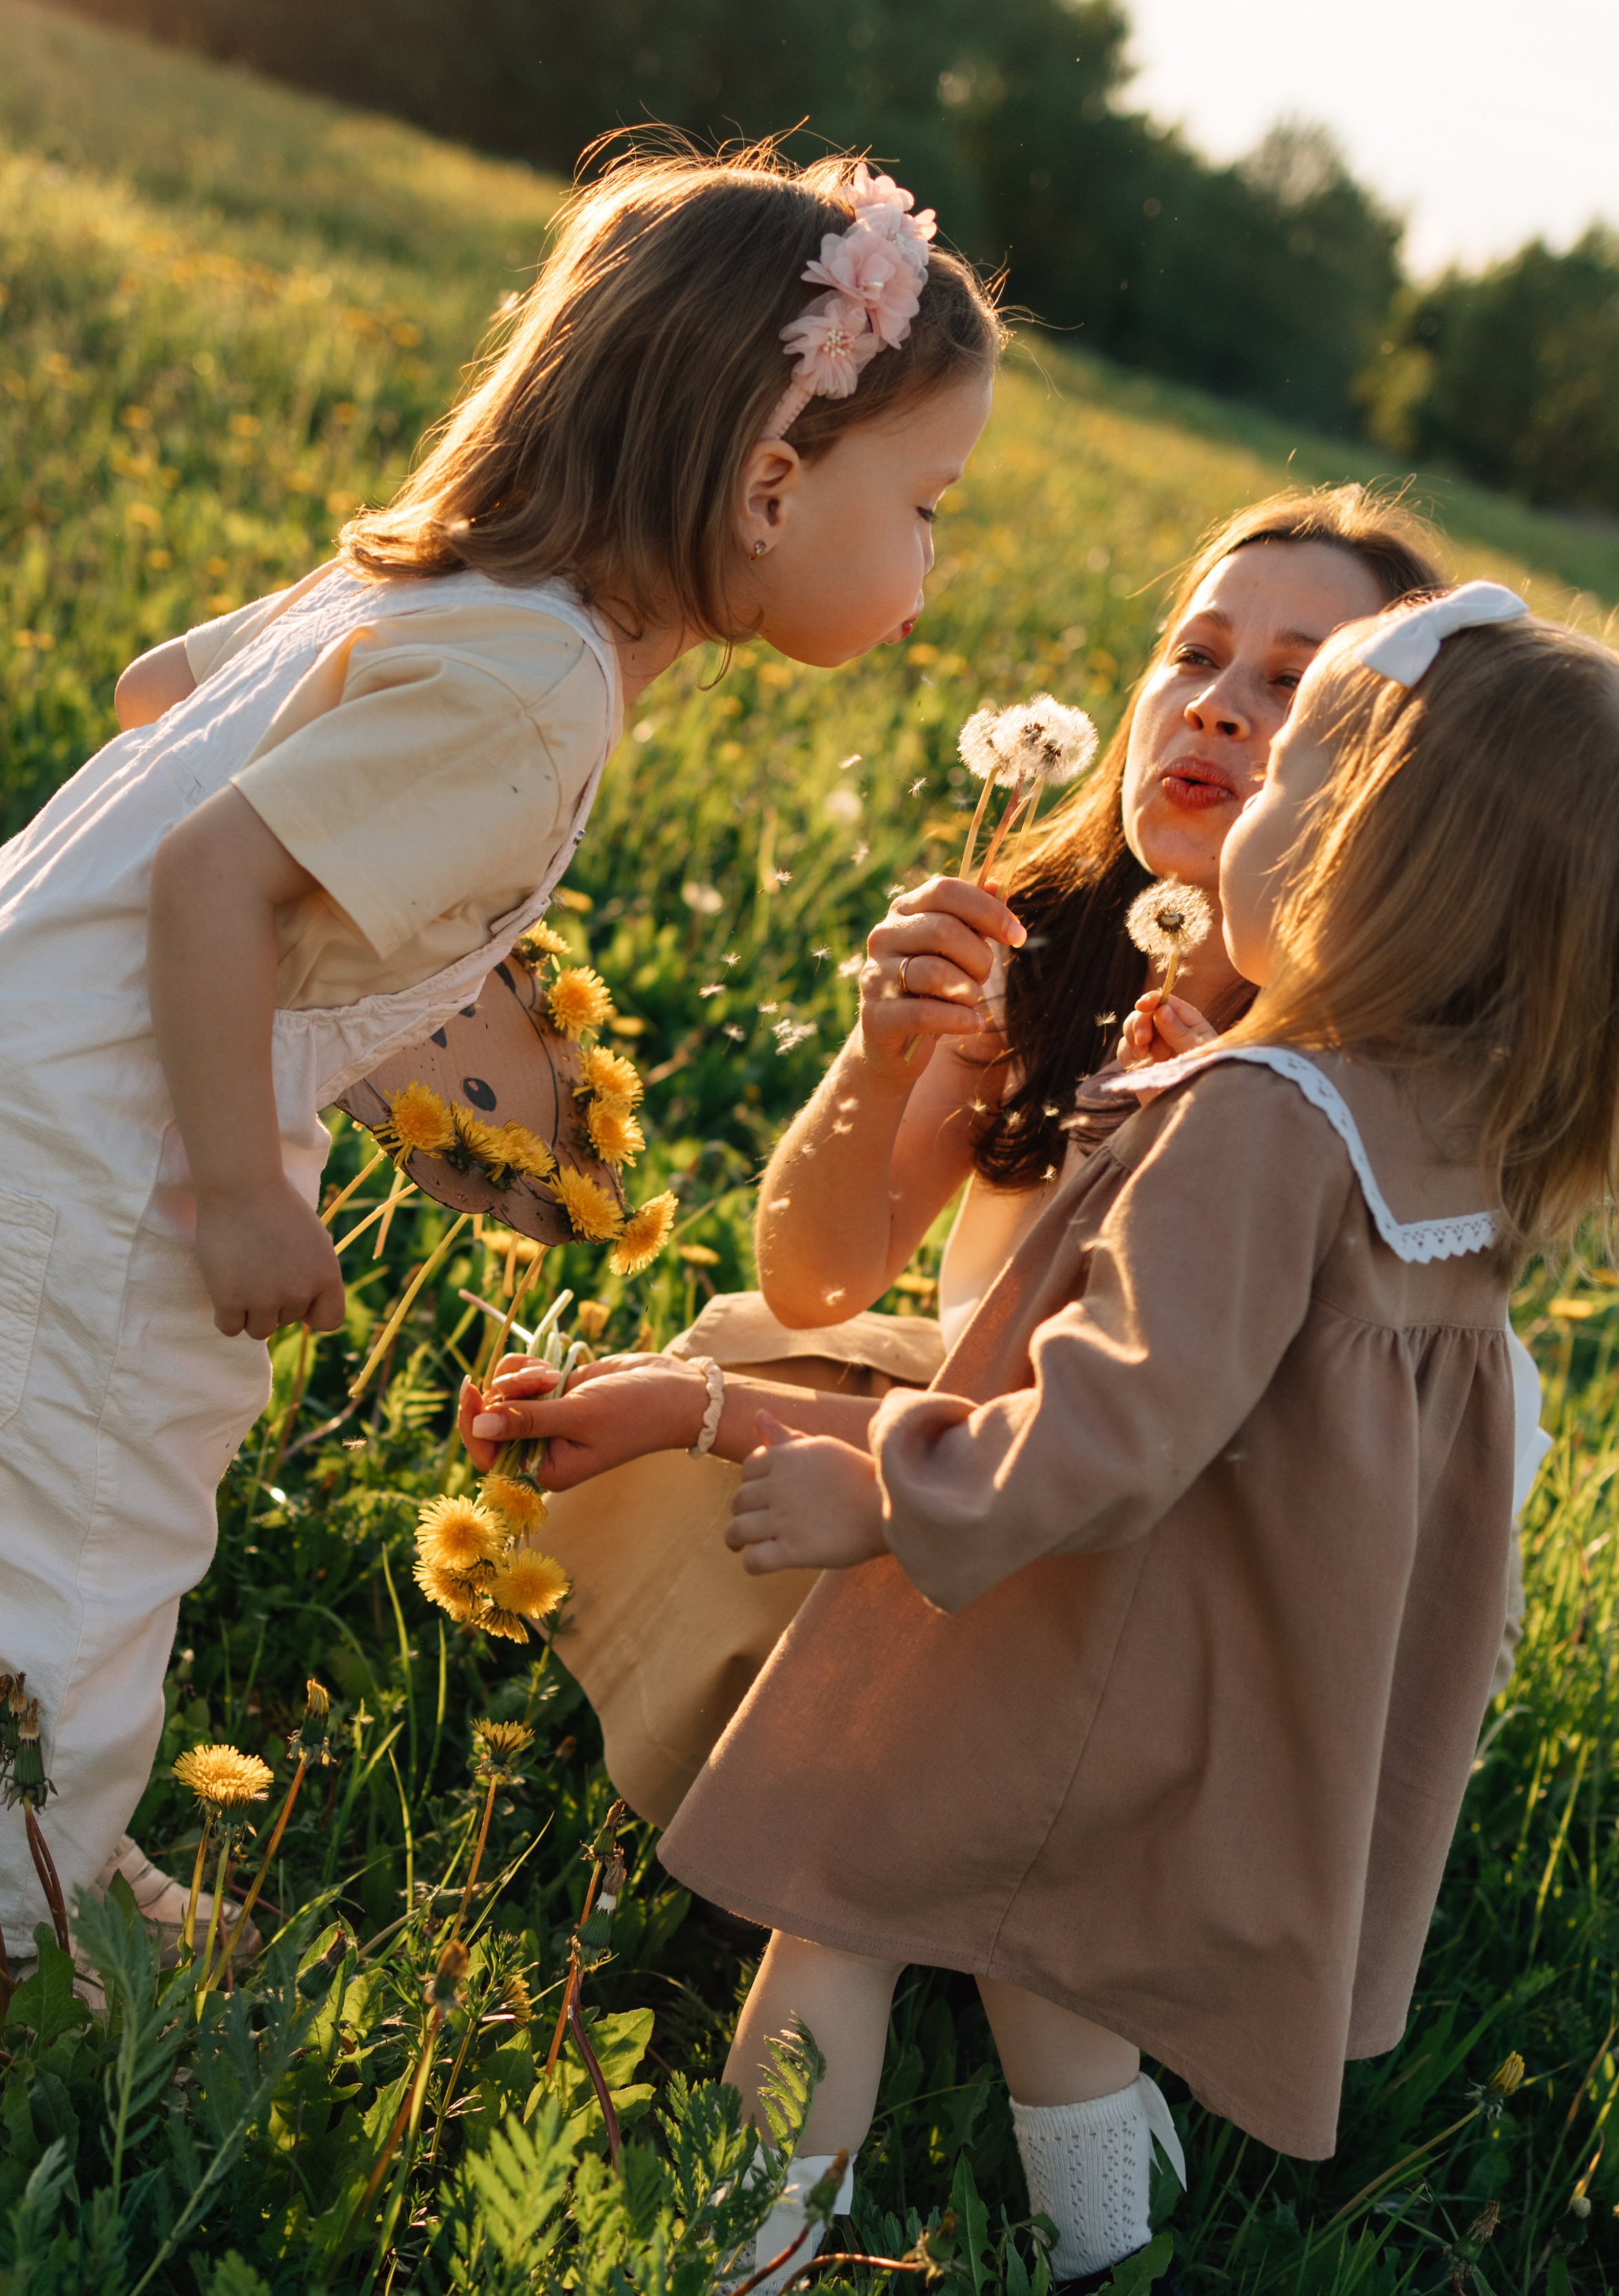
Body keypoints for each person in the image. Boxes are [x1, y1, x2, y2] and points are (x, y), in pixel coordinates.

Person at [0, 146, 1002, 2018]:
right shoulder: (538, 683)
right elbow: (217, 874)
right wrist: (247, 1183)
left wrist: (399, 953)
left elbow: (166, 696)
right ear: (770, 480)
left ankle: (47, 1845)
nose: (931, 557)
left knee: (82, 1490)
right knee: (62, 1528)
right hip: (102, 1135)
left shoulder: (454, 586)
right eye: (929, 503)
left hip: (18, 1071)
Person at [650, 584, 1619, 2288]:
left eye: (1290, 785)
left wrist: (875, 1487)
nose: (1241, 808)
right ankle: (1102, 2252)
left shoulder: (1264, 1112)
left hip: (1063, 1615)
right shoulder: (1463, 1134)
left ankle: (745, 2249)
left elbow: (1115, 1413)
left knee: (835, 1896)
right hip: (1230, 1661)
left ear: (1357, 865)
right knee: (1054, 1952)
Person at [491, 495, 1549, 1813]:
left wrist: (701, 1414)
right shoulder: (1041, 945)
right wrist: (876, 1064)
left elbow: (1117, 1467)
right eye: (1195, 652)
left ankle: (920, 1842)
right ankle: (842, 1799)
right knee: (745, 1371)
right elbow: (821, 1278)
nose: (1218, 706)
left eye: (1295, 683)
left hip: (1198, 1554)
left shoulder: (1341, 1080)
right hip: (1009, 1440)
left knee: (717, 1418)